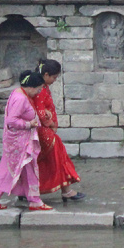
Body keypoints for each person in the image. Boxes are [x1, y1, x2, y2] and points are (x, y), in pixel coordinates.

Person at [0, 70, 52, 211]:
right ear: (31, 87)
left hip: (16, 141)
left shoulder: (18, 92)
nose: (39, 92)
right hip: (21, 142)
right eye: (38, 89)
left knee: (9, 169)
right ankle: (35, 201)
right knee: (26, 170)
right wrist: (29, 124)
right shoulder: (21, 99)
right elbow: (12, 120)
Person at [34, 59, 84, 202]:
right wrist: (50, 123)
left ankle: (28, 189)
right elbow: (39, 111)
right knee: (57, 157)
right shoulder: (39, 89)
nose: (55, 80)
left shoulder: (43, 87)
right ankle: (66, 190)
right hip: (43, 132)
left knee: (49, 159)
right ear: (46, 74)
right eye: (54, 77)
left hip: (45, 130)